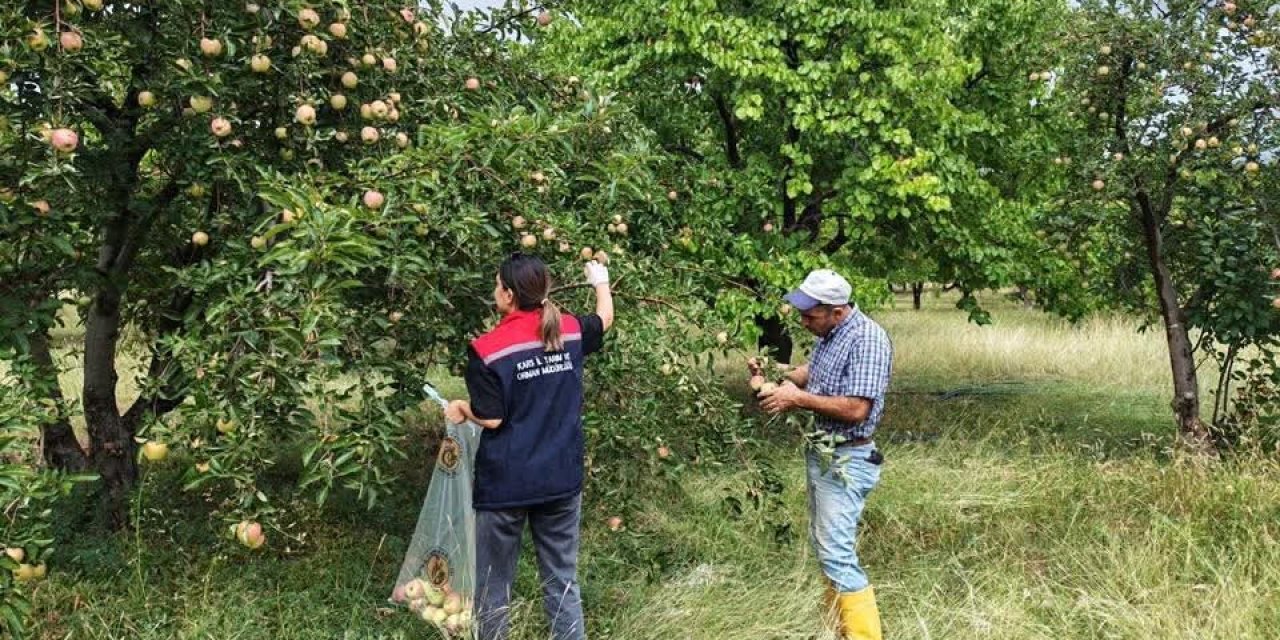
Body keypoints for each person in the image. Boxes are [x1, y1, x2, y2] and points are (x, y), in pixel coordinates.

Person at [444, 253, 613, 640]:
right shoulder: (568, 331)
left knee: (493, 583)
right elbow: (604, 319)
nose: (494, 291)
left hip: (506, 484)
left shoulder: (487, 349)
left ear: (507, 294)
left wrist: (460, 408)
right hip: (560, 479)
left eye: (496, 285)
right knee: (562, 578)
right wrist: (600, 280)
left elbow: (492, 418)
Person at [755, 268, 892, 640]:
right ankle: (840, 631)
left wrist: (796, 399)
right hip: (825, 454)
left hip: (848, 458)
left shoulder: (868, 339)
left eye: (810, 315)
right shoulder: (831, 334)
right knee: (826, 547)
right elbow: (813, 371)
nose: (803, 321)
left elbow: (857, 409)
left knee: (837, 554)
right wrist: (775, 370)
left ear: (837, 309)